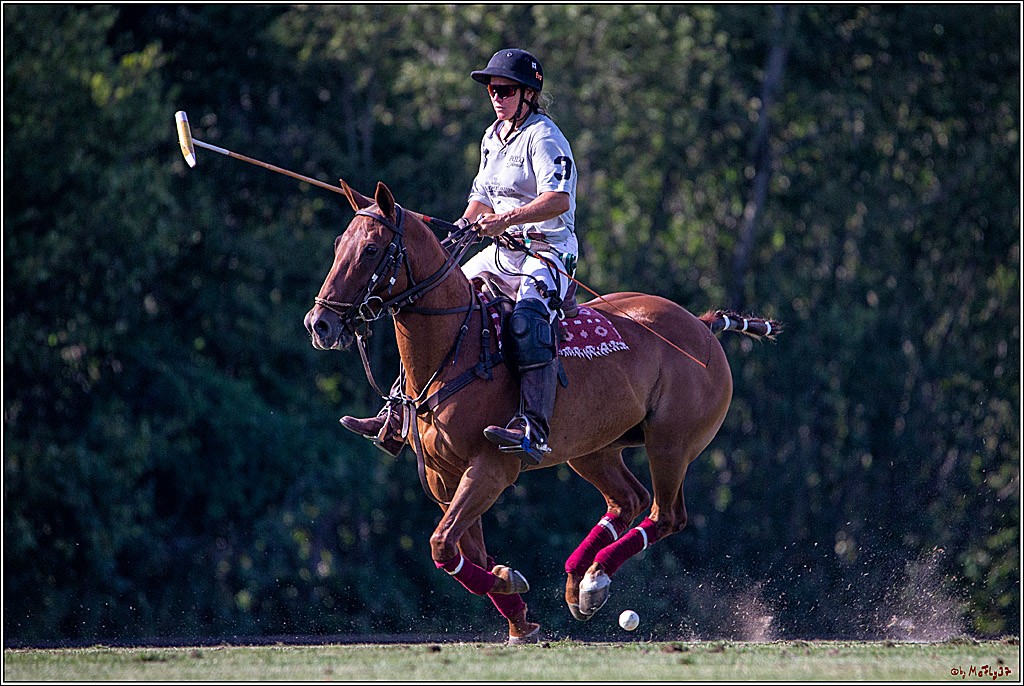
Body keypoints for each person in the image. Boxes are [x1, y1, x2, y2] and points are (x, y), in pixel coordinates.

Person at [341, 48, 578, 466]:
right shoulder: (493, 136)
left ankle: (534, 428)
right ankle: (396, 412)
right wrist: (465, 225)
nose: (495, 96)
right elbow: (481, 198)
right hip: (502, 254)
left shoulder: (545, 137)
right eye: (491, 89)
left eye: (504, 89)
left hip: (548, 252)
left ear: (528, 93)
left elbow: (558, 199)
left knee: (525, 321)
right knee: (432, 298)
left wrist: (506, 220)